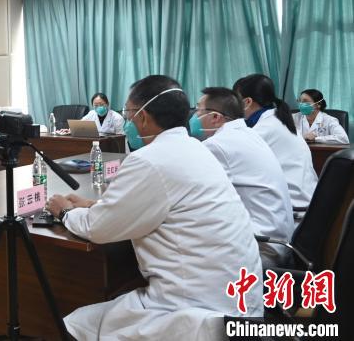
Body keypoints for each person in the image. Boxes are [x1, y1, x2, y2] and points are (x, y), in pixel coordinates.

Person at [48, 75, 262, 340]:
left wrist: (65, 212)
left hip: (198, 311)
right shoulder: (195, 149)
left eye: (129, 114)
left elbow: (98, 228)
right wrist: (96, 204)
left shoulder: (149, 160)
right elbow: (159, 202)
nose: (128, 123)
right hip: (240, 301)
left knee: (75, 325)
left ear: (144, 117)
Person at [190, 87, 294, 267]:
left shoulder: (218, 145)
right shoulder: (247, 134)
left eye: (198, 110)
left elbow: (191, 194)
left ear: (215, 117)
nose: (193, 116)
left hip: (261, 248)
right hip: (277, 240)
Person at [233, 74, 318, 209]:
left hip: (293, 206)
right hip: (306, 200)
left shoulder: (264, 128)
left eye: (235, 101)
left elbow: (233, 160)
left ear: (247, 102)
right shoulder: (276, 120)